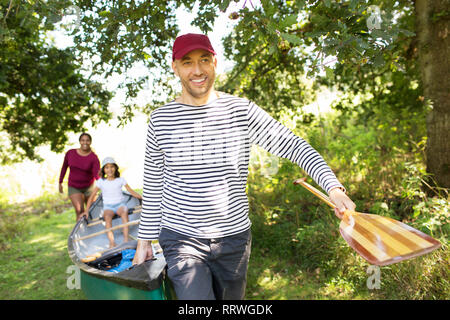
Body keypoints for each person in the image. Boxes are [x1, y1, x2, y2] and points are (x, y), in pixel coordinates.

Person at [132, 33, 356, 300]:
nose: (197, 70)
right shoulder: (161, 119)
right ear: (175, 67)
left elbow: (295, 146)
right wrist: (144, 240)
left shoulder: (240, 111)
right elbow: (155, 181)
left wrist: (334, 188)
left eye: (204, 60)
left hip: (233, 238)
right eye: (187, 62)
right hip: (182, 237)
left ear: (215, 62)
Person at [82, 157, 143, 248]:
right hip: (108, 207)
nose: (110, 169)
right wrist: (87, 211)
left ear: (115, 168)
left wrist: (142, 198)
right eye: (107, 167)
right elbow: (92, 196)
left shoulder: (120, 180)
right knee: (107, 216)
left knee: (124, 211)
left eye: (111, 167)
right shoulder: (101, 182)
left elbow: (131, 192)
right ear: (103, 170)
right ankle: (112, 242)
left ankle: (126, 239)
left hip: (120, 205)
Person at [59, 133, 100, 221]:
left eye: (87, 140)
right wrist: (60, 182)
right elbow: (64, 167)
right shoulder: (70, 153)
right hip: (74, 186)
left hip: (89, 188)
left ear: (90, 142)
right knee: (79, 210)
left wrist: (104, 184)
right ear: (80, 142)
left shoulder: (93, 158)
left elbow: (97, 174)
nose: (85, 142)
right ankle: (81, 233)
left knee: (94, 210)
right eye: (83, 140)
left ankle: (93, 231)